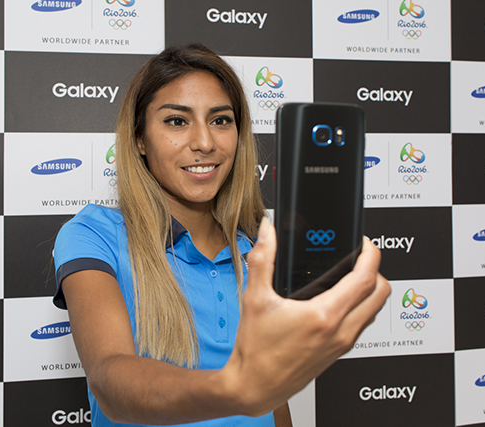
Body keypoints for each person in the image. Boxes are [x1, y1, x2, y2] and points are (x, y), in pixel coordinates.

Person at [53, 44, 390, 427]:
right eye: (177, 122)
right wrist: (235, 389)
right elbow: (110, 378)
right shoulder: (95, 234)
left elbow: (272, 399)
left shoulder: (258, 251)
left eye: (221, 120)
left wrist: (258, 389)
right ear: (140, 139)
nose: (205, 142)